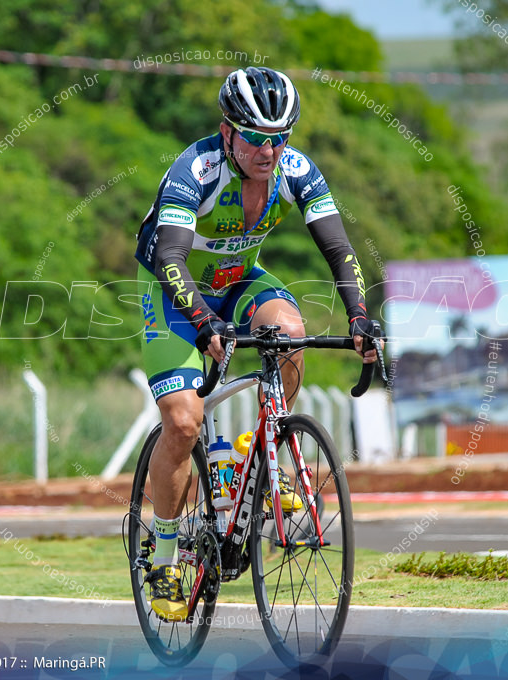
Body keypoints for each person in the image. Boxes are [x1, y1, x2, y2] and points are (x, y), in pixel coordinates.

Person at [134, 66, 380, 622]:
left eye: (280, 137)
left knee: (291, 333)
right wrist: (202, 323)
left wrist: (361, 316)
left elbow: (339, 250)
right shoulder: (194, 170)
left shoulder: (295, 169)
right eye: (256, 138)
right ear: (228, 133)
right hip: (176, 290)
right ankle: (167, 558)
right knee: (183, 424)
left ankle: (262, 447)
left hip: (240, 278)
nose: (269, 150)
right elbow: (170, 256)